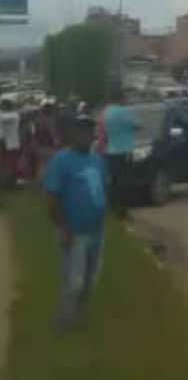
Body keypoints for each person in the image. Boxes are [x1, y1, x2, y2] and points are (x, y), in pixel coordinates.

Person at [44, 113, 107, 332]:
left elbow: (101, 189)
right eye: (81, 130)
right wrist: (63, 227)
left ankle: (80, 318)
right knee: (74, 281)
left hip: (97, 231)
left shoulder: (97, 160)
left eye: (90, 131)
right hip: (74, 232)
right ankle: (63, 322)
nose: (86, 135)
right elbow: (52, 197)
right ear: (72, 134)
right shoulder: (61, 161)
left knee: (92, 280)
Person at [102, 90, 138, 218]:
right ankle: (123, 210)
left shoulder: (106, 112)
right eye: (125, 99)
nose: (126, 101)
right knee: (125, 182)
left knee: (114, 181)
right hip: (125, 151)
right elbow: (136, 125)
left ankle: (112, 207)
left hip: (111, 151)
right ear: (121, 99)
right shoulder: (124, 112)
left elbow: (103, 130)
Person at [0, 99, 21, 188]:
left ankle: (11, 183)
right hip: (4, 142)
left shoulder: (14, 115)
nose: (2, 107)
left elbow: (3, 118)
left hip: (12, 143)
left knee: (11, 164)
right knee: (4, 163)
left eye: (3, 105)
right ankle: (5, 182)